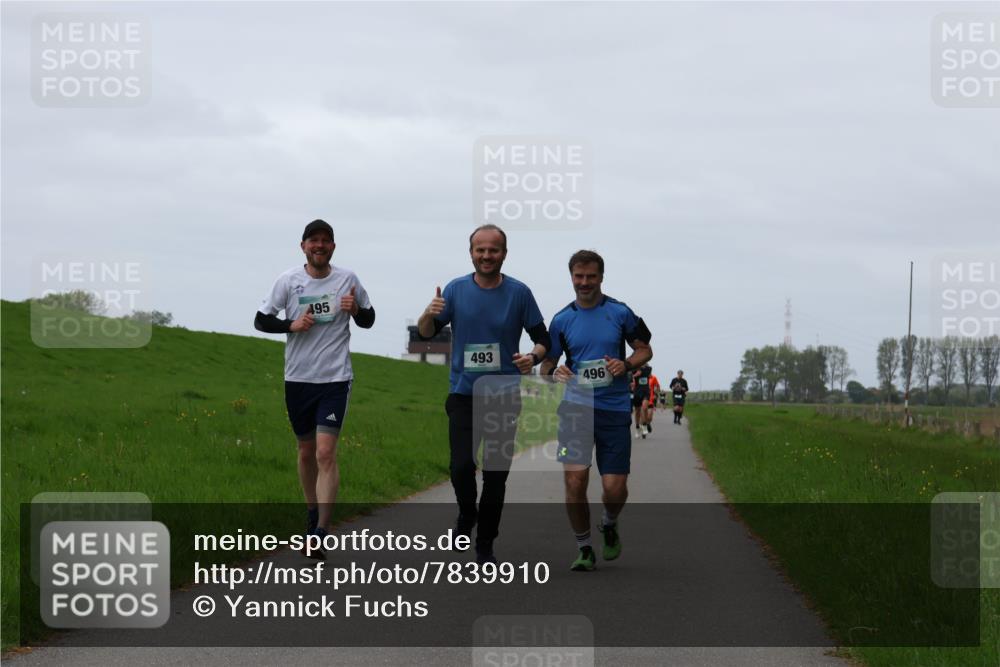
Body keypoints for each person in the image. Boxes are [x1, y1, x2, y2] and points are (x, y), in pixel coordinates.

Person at [417, 224, 550, 565]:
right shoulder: (455, 289)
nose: (486, 255)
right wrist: (428, 313)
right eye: (480, 250)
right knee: (461, 466)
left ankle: (486, 543)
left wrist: (533, 357)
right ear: (471, 253)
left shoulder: (519, 293)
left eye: (493, 250)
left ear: (504, 253)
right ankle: (467, 514)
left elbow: (543, 338)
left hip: (504, 396)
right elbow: (427, 333)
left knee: (495, 475)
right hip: (463, 393)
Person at [254, 219, 375, 559]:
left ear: (333, 247)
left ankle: (321, 530)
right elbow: (261, 319)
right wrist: (291, 324)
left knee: (324, 453)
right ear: (303, 246)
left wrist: (357, 310)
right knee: (306, 452)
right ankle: (311, 514)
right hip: (298, 379)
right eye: (313, 240)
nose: (319, 245)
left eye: (325, 240)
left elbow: (369, 318)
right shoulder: (288, 280)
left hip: (335, 379)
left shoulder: (348, 279)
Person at [540, 250, 652, 571]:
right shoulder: (561, 320)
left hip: (613, 409)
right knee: (575, 483)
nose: (585, 282)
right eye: (579, 276)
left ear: (602, 277)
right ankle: (584, 548)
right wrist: (554, 372)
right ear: (571, 277)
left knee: (614, 489)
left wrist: (625, 364)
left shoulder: (620, 312)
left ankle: (609, 522)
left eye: (591, 276)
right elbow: (546, 365)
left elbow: (645, 349)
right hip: (575, 408)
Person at [630, 364, 653, 438]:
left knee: (644, 407)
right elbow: (630, 377)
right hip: (637, 392)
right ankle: (637, 428)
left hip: (646, 392)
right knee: (637, 411)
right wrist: (635, 375)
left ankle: (644, 425)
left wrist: (641, 370)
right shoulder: (634, 369)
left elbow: (648, 374)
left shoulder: (648, 368)